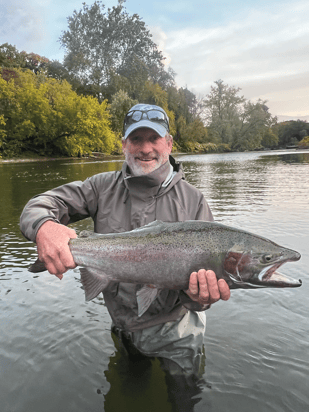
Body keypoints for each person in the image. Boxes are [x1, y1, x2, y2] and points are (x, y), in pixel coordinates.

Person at [20, 103, 230, 377]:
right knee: (131, 382)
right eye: (136, 139)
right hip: (120, 321)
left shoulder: (193, 201)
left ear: (168, 143)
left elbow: (202, 292)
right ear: (123, 145)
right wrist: (44, 226)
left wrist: (199, 299)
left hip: (176, 330)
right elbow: (41, 203)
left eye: (154, 138)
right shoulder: (100, 187)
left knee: (184, 395)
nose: (145, 149)